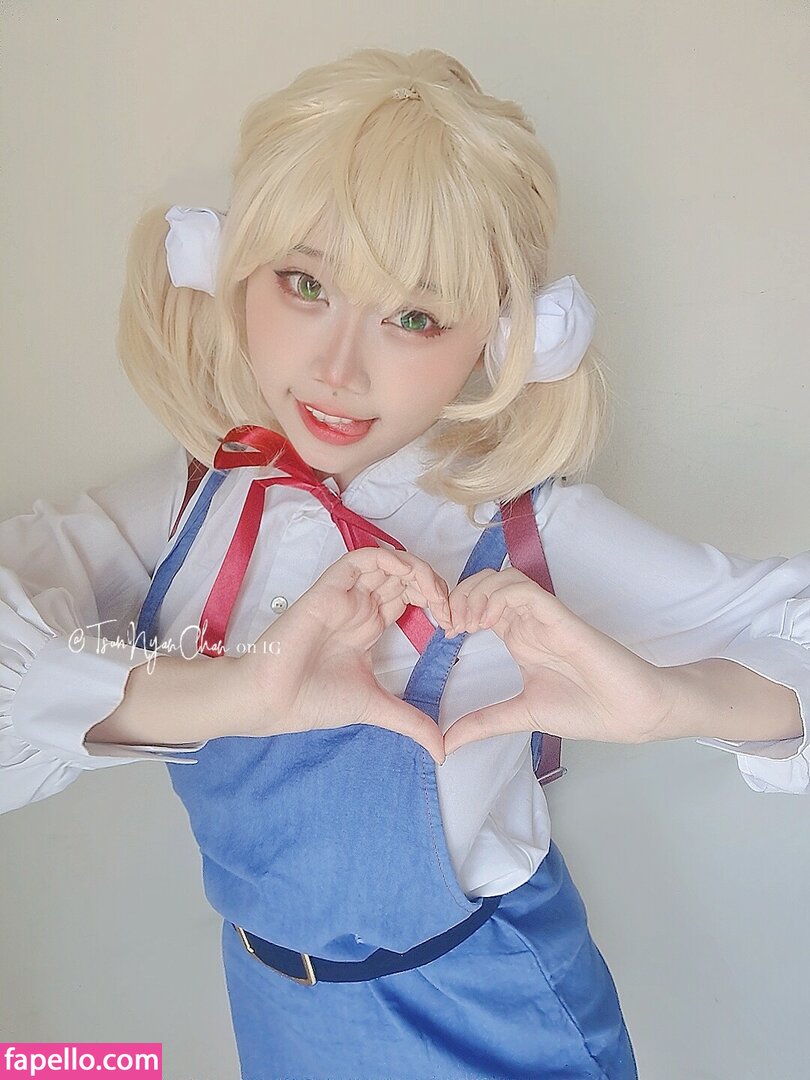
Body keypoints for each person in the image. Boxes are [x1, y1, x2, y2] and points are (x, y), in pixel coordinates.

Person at [1, 46, 808, 1080]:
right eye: (305, 284)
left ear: (500, 340)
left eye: (414, 316)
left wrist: (674, 703)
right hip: (272, 1004)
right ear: (231, 270)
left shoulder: (530, 531)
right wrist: (230, 695)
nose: (338, 367)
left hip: (490, 1010)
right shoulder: (190, 507)